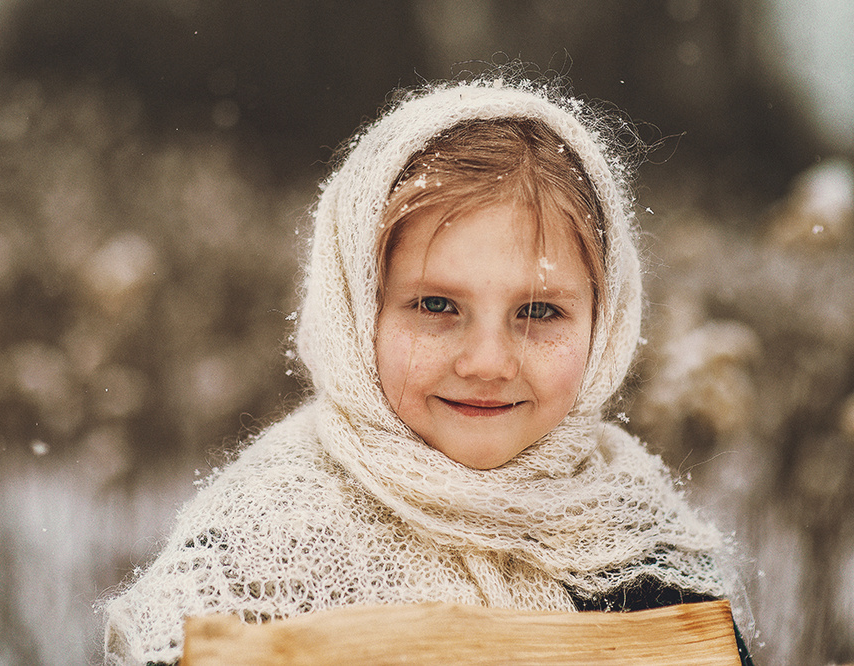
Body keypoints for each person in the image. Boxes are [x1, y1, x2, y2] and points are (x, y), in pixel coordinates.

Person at [101, 73, 752, 665]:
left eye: (539, 311)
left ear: (604, 320)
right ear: (358, 310)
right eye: (436, 305)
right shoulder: (266, 547)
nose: (489, 362)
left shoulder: (633, 539)